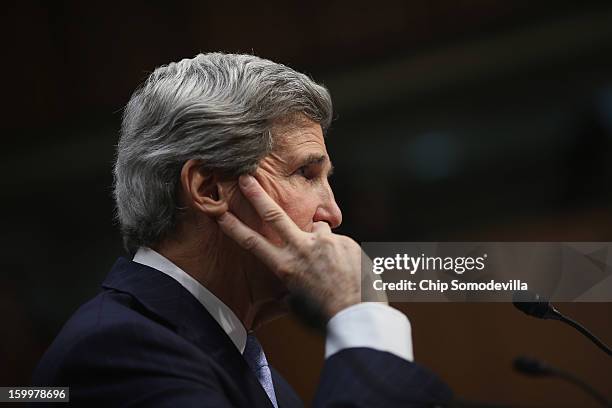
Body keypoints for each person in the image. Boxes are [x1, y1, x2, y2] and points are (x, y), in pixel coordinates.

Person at [32, 53, 451, 407]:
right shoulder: (115, 353)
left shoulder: (252, 371)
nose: (334, 213)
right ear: (210, 188)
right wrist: (362, 321)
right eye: (306, 173)